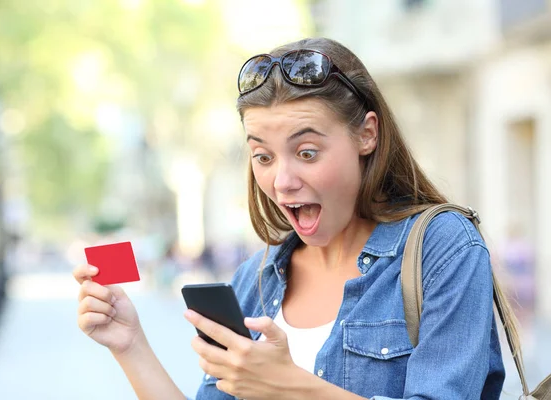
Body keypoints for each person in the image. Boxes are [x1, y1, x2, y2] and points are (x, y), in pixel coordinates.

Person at [73, 37, 507, 399]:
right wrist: (131, 345)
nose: (281, 181)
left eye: (306, 153)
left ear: (367, 134)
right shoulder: (256, 280)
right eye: (262, 155)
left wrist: (292, 386)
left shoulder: (442, 246)